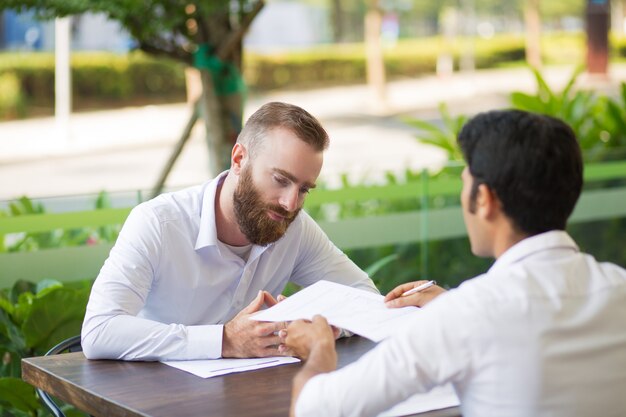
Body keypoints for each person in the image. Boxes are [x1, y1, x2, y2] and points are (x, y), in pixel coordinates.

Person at [285, 109, 626, 417]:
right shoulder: (618, 287)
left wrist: (319, 350)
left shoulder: (468, 314)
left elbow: (315, 408)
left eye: (465, 184)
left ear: (484, 199)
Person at [81, 102, 377, 361]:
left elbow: (365, 299)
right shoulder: (158, 223)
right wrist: (225, 340)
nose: (290, 203)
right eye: (280, 180)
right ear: (239, 160)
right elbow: (100, 330)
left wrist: (317, 325)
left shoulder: (295, 228)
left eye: (304, 190)